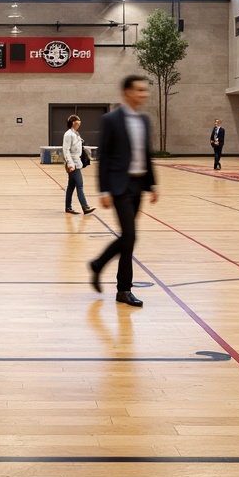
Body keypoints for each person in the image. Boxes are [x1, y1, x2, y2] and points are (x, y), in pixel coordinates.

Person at [89, 75, 158, 307]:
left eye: (145, 90)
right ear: (127, 92)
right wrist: (103, 189)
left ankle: (102, 269)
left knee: (128, 239)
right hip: (120, 186)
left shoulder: (145, 120)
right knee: (130, 236)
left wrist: (153, 184)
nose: (144, 94)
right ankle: (123, 288)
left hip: (138, 185)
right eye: (139, 90)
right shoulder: (111, 120)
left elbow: (146, 154)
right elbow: (105, 156)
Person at [62, 114, 96, 215]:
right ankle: (85, 207)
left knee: (71, 186)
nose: (79, 124)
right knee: (80, 185)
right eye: (78, 122)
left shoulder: (75, 133)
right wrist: (70, 164)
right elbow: (66, 149)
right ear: (73, 122)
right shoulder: (68, 134)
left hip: (77, 162)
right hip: (73, 164)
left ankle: (68, 207)